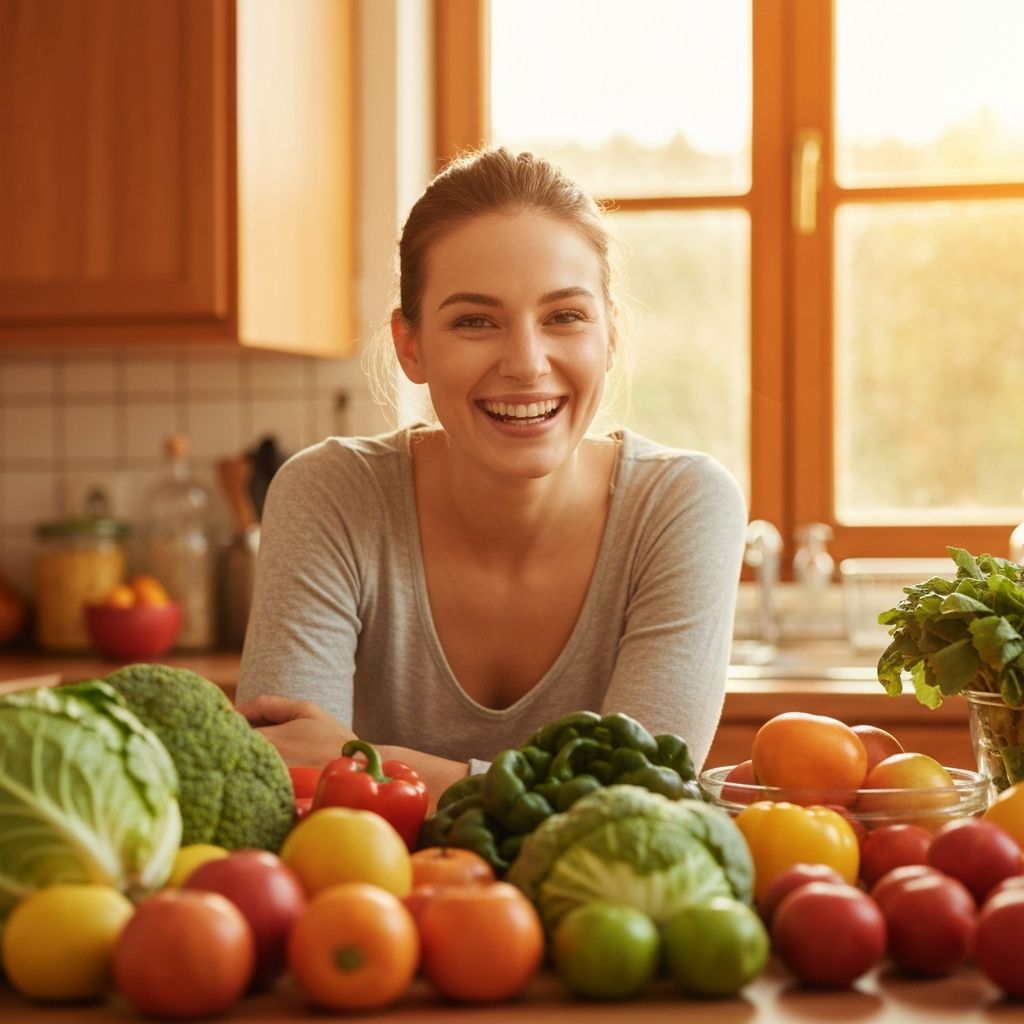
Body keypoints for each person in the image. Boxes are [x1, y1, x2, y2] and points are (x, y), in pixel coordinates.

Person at [235, 147, 748, 804]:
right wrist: (550, 797)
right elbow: (287, 780)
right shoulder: (330, 495)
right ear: (410, 346)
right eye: (475, 321)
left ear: (610, 336)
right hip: (370, 907)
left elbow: (639, 806)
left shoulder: (681, 505)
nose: (526, 363)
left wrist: (372, 765)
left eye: (564, 316)